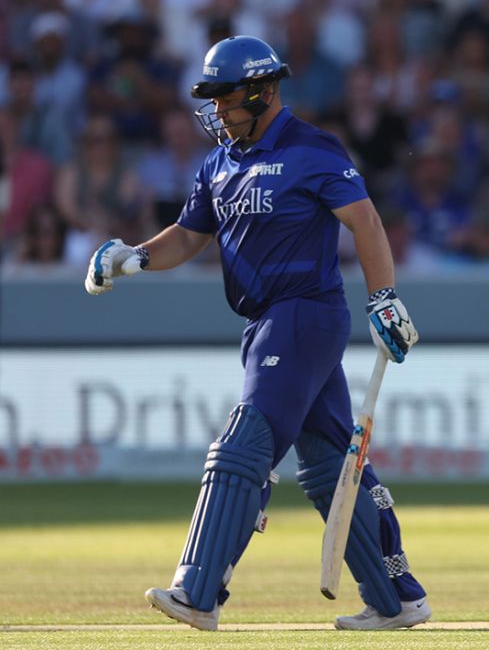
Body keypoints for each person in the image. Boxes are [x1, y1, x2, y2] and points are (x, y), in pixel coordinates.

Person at [83, 36, 429, 631]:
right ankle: (396, 597)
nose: (216, 110)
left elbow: (365, 221)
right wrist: (131, 257)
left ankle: (199, 590)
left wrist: (383, 297)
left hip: (303, 315)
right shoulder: (219, 164)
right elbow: (189, 237)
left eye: (225, 98)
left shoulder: (312, 148)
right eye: (212, 99)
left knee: (245, 445)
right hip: (264, 323)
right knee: (330, 466)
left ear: (261, 91)